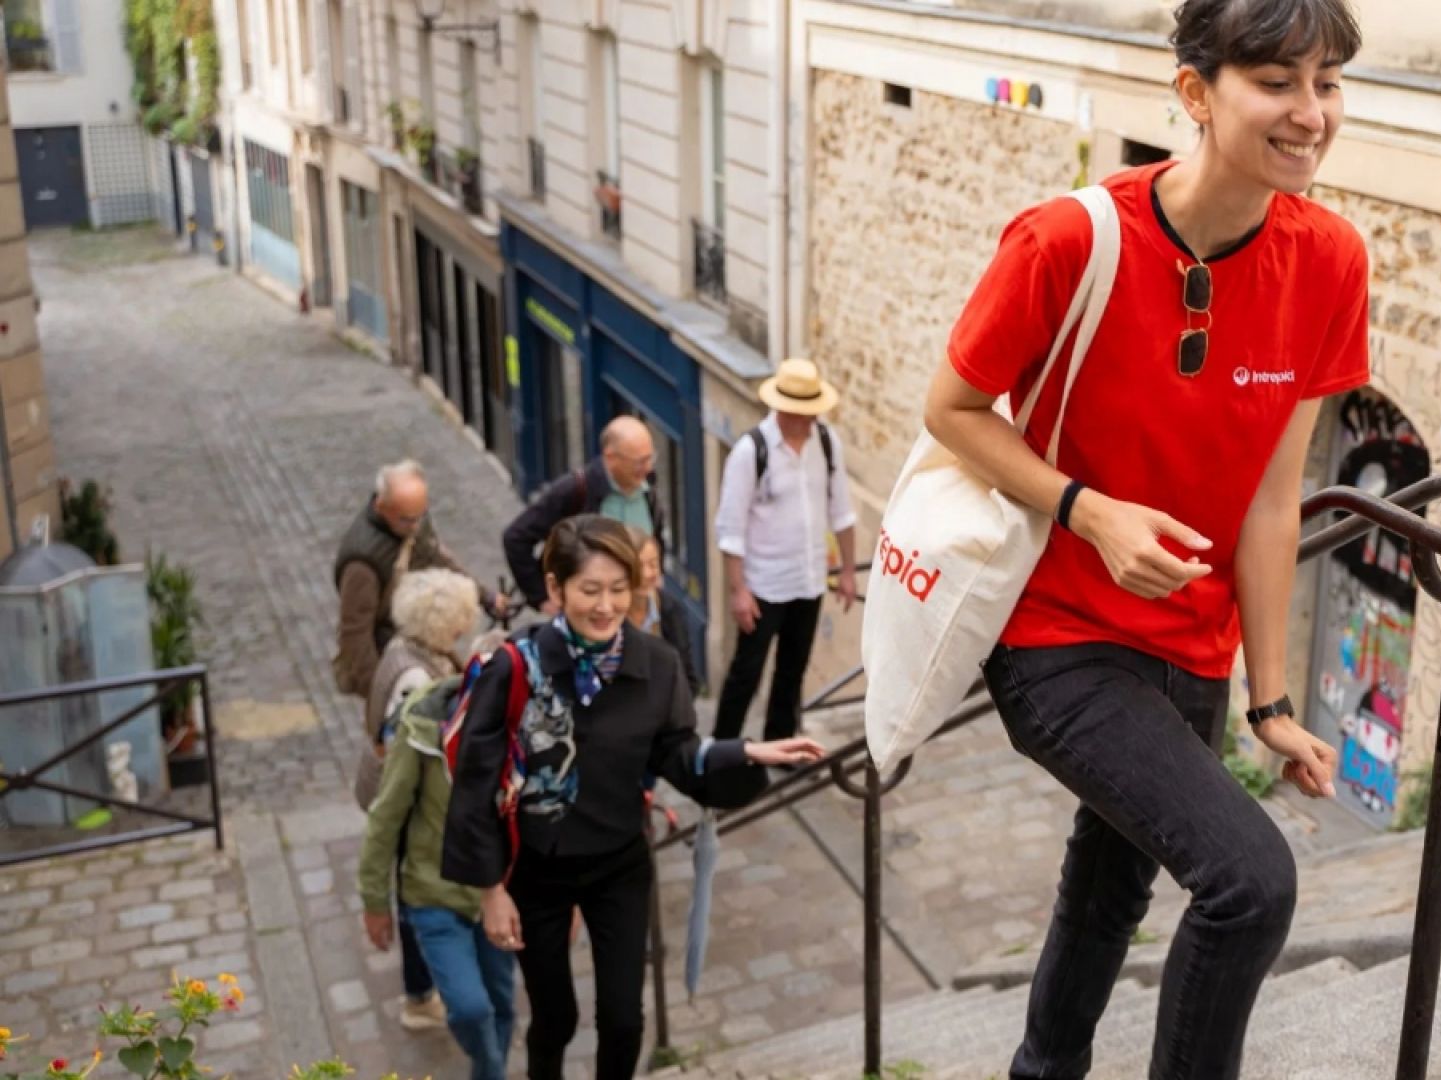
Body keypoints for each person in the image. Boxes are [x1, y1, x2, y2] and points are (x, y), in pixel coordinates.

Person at [922, 0, 1370, 1074]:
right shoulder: (1068, 239)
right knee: (1249, 883)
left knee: (1112, 881)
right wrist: (1087, 507)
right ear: (1195, 92)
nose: (1310, 113)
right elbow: (953, 410)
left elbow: (1272, 499)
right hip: (1055, 634)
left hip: (1191, 644)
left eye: (1329, 84)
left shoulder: (1331, 261)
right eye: (1277, 82)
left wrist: (1269, 700)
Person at [441, 515, 826, 1080]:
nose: (606, 605)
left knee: (624, 1020)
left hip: (618, 863)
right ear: (555, 589)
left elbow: (676, 753)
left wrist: (744, 754)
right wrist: (491, 890)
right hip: (537, 873)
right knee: (555, 1018)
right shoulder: (514, 668)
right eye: (590, 590)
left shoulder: (657, 664)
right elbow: (475, 784)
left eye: (619, 590)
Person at [357, 636, 517, 1080]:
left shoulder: (526, 733)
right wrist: (374, 900)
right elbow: (384, 818)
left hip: (501, 898)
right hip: (435, 895)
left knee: (502, 1004)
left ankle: (488, 1073)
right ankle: (492, 1072)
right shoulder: (424, 727)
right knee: (469, 1008)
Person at [350, 568, 482, 1032]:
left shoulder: (411, 649)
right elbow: (402, 750)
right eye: (463, 617)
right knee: (413, 890)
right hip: (405, 798)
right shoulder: (414, 676)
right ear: (442, 624)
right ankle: (420, 995)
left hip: (402, 793)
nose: (467, 625)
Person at [711, 358, 858, 742]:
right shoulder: (750, 451)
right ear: (781, 406)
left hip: (808, 580)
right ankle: (719, 757)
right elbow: (731, 529)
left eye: (812, 412)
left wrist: (845, 571)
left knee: (792, 671)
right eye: (799, 412)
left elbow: (842, 511)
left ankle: (781, 745)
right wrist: (738, 590)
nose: (806, 420)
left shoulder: (826, 443)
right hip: (763, 586)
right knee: (747, 672)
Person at [334, 459, 501, 700]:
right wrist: (381, 697)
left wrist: (485, 596)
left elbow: (437, 558)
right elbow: (356, 637)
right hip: (388, 656)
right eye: (407, 519)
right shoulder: (361, 564)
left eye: (420, 516)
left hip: (413, 640)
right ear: (381, 506)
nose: (415, 526)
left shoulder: (411, 520)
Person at [504, 416, 666, 616]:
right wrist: (542, 599)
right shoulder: (574, 491)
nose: (648, 467)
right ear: (611, 457)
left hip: (641, 610)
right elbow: (515, 538)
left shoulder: (647, 485)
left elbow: (656, 535)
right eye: (639, 461)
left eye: (650, 458)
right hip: (595, 615)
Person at [632, 531, 700, 695]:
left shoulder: (670, 609)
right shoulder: (609, 616)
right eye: (639, 566)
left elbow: (688, 677)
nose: (647, 573)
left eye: (653, 564)